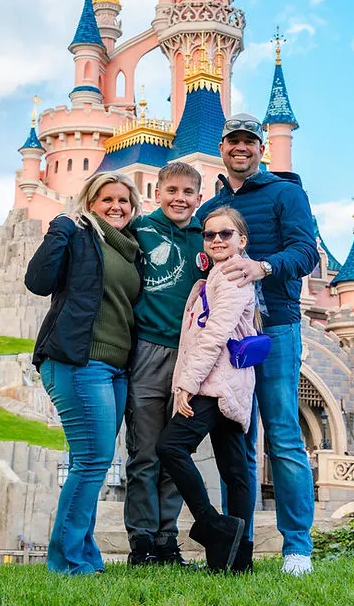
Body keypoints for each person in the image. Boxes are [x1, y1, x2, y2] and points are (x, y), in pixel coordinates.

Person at [197, 113, 319, 577]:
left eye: (249, 141)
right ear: (223, 147)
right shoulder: (217, 201)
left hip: (275, 326)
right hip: (231, 331)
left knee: (284, 436)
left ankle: (297, 548)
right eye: (232, 141)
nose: (240, 148)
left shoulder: (287, 193)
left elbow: (305, 252)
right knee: (236, 440)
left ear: (261, 147)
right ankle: (237, 546)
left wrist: (262, 268)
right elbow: (209, 254)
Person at [25, 172, 142, 577]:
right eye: (106, 199)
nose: (116, 206)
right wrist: (59, 228)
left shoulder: (130, 249)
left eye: (124, 201)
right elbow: (37, 282)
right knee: (93, 461)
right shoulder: (76, 234)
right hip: (78, 361)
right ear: (90, 202)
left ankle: (85, 556)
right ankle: (65, 561)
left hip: (116, 369)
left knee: (89, 461)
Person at [156, 207, 258, 573]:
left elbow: (216, 335)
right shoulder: (219, 274)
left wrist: (187, 384)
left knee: (170, 446)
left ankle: (214, 526)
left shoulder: (231, 277)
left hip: (216, 384)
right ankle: (239, 558)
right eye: (210, 234)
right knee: (234, 470)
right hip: (228, 384)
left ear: (241, 240)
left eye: (225, 234)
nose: (216, 239)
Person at [124, 162, 204, 567]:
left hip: (190, 358)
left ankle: (167, 540)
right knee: (145, 452)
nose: (179, 198)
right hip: (148, 351)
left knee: (175, 454)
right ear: (158, 193)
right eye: (172, 190)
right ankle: (141, 542)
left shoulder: (205, 238)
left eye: (188, 192)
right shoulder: (138, 230)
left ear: (198, 198)